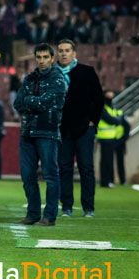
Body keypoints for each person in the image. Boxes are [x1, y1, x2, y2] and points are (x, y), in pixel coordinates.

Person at [13, 43, 67, 226]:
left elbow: (45, 103)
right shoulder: (30, 78)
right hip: (27, 132)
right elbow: (17, 103)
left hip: (47, 132)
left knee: (51, 175)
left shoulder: (58, 79)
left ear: (52, 58)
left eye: (45, 57)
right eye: (39, 57)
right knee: (27, 175)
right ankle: (33, 213)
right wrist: (33, 102)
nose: (42, 61)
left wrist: (30, 101)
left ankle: (49, 216)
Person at [56, 39, 104, 218]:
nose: (64, 53)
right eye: (60, 50)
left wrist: (94, 121)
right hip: (62, 129)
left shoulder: (86, 72)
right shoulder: (53, 73)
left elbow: (98, 98)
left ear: (74, 53)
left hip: (85, 128)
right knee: (64, 168)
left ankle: (88, 208)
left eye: (67, 50)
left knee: (86, 168)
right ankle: (66, 206)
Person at [96, 90, 129, 188]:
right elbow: (110, 120)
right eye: (108, 94)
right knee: (106, 160)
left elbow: (124, 124)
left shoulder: (112, 109)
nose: (111, 96)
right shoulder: (102, 108)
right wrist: (117, 120)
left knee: (110, 160)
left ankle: (111, 180)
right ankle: (105, 181)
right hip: (105, 138)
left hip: (114, 138)